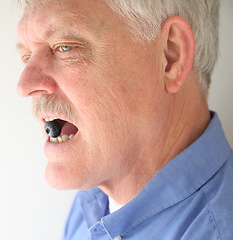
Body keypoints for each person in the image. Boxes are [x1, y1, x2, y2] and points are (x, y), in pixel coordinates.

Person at [16, 0, 233, 239]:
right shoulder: (90, 204)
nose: (24, 85)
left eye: (65, 47)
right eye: (27, 57)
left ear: (171, 56)